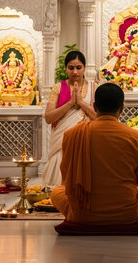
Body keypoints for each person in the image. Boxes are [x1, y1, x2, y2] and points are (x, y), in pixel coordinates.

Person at [50, 83, 138, 224]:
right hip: (128, 214)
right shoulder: (135, 137)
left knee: (56, 192)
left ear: (95, 107)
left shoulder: (72, 134)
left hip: (81, 214)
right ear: (122, 108)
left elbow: (66, 179)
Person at [41, 51, 97, 187]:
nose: (75, 72)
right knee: (60, 180)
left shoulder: (93, 87)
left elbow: (97, 117)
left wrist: (81, 103)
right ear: (66, 68)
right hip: (62, 141)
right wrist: (71, 103)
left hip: (86, 140)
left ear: (84, 68)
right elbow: (48, 117)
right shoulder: (58, 88)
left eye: (79, 67)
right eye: (71, 68)